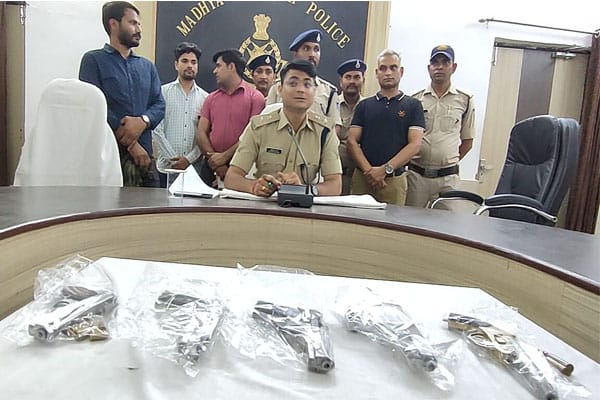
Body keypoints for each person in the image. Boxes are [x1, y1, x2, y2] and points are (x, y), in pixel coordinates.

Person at [225, 59, 342, 197]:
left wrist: (304, 190)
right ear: (280, 90)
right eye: (293, 83)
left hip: (305, 206)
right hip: (265, 203)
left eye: (307, 84)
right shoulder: (259, 127)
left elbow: (335, 185)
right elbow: (232, 178)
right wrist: (255, 186)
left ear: (314, 91)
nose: (301, 90)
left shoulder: (325, 130)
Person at [79, 1, 165, 187]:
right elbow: (93, 107)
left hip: (145, 162)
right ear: (113, 24)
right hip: (108, 160)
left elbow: (159, 105)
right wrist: (132, 145)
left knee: (152, 206)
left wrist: (143, 120)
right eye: (133, 23)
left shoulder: (147, 66)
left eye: (139, 24)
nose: (139, 29)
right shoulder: (93, 61)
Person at [347, 49, 425, 206]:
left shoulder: (413, 105)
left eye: (393, 67)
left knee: (392, 221)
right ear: (376, 73)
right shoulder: (364, 105)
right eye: (383, 68)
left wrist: (384, 170)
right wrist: (370, 172)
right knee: (356, 220)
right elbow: (352, 141)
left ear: (401, 71)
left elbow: (415, 144)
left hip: (394, 181)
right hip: (363, 179)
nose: (388, 72)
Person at [407, 45, 475, 208]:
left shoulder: (465, 99)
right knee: (409, 220)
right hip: (417, 177)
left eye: (445, 62)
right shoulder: (415, 100)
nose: (439, 67)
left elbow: (467, 142)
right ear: (429, 68)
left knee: (445, 222)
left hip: (447, 179)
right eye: (435, 62)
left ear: (454, 67)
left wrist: (446, 161)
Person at [196, 49, 265, 187]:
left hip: (241, 167)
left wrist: (225, 157)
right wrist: (216, 162)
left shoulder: (255, 98)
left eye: (218, 66)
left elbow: (252, 135)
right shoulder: (211, 98)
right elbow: (201, 133)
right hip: (210, 166)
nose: (215, 71)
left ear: (231, 66)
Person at [266, 29, 342, 137]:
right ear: (295, 54)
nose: (312, 54)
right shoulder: (277, 87)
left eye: (316, 49)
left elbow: (335, 126)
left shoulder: (329, 92)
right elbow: (267, 120)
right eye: (306, 49)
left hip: (314, 144)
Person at [152, 42, 208, 188]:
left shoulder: (206, 99)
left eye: (193, 62)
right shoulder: (162, 93)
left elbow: (206, 135)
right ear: (176, 65)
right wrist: (173, 160)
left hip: (193, 170)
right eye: (185, 61)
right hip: (166, 168)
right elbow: (156, 129)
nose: (190, 65)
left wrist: (188, 160)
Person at [337, 58, 367, 195]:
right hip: (335, 174)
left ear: (363, 80)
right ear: (340, 81)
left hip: (361, 175)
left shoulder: (369, 107)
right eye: (348, 77)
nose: (352, 82)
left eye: (356, 77)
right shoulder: (330, 105)